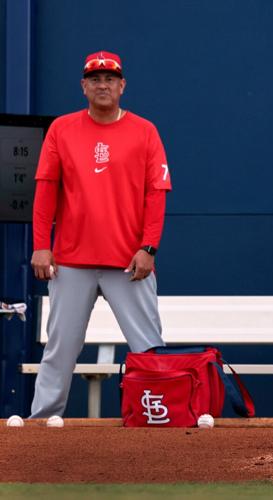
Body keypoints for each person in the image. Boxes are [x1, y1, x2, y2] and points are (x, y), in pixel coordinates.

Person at [29, 51, 172, 418]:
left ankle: (157, 416)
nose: (103, 84)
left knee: (147, 347)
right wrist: (41, 246)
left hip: (128, 261)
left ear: (122, 85)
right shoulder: (62, 128)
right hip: (72, 260)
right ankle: (43, 419)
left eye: (110, 78)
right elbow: (46, 190)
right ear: (83, 86)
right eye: (95, 79)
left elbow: (156, 194)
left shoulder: (145, 130)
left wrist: (149, 248)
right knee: (60, 347)